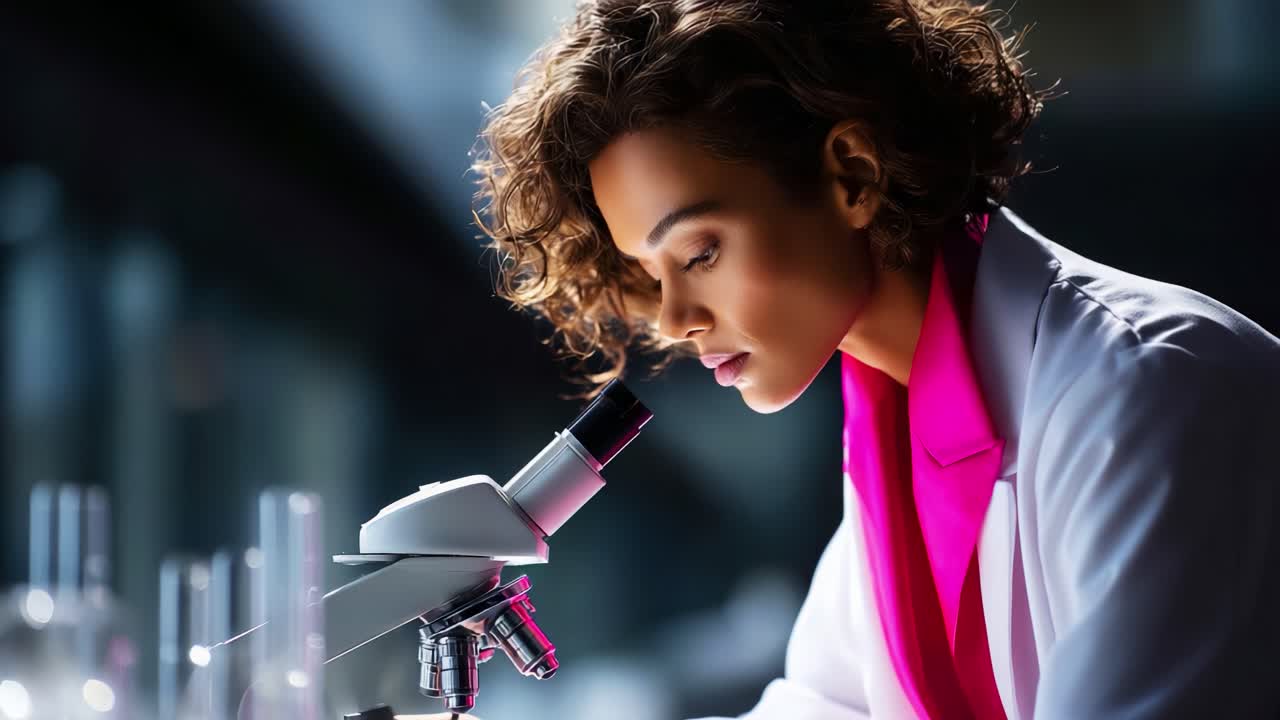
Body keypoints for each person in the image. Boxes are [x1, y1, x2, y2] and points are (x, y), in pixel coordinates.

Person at [460, 1, 1280, 718]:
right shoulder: (897, 429)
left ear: (852, 176)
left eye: (701, 253)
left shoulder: (1151, 395)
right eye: (651, 273)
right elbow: (825, 708)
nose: (673, 320)